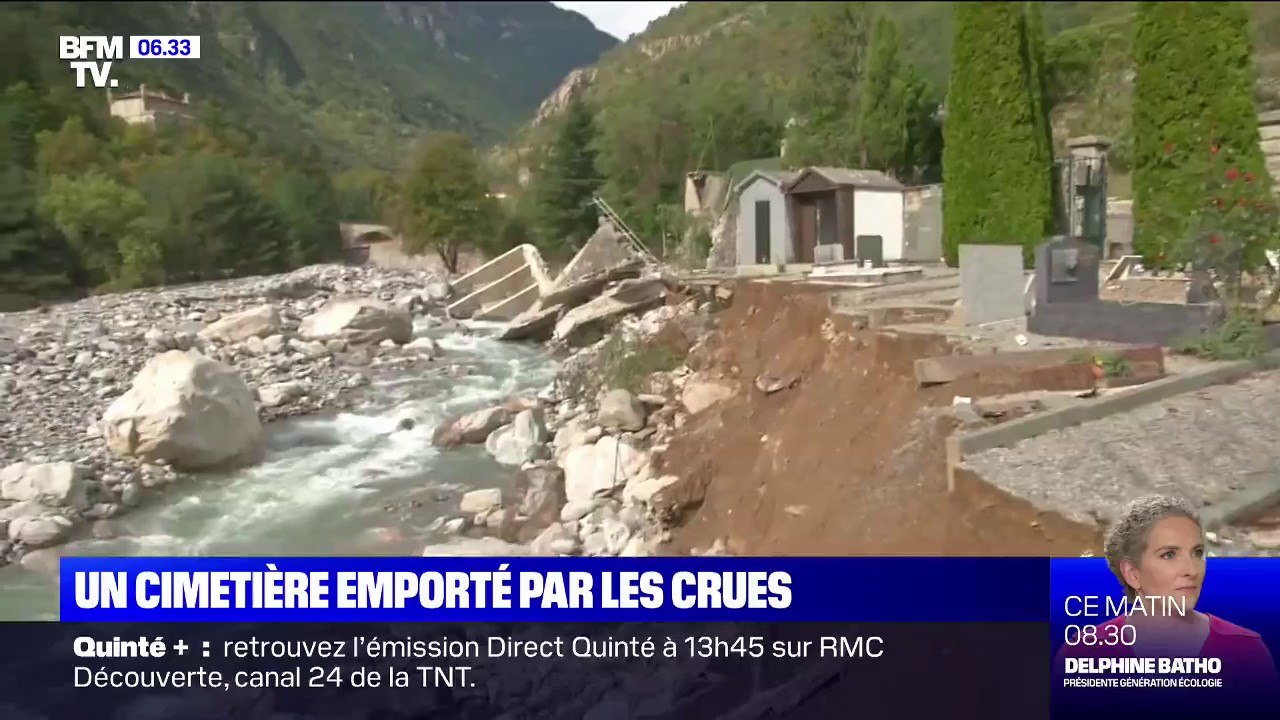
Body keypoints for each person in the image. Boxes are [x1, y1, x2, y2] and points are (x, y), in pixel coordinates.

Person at [1055, 494, 1279, 708]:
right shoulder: (1084, 654)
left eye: (1197, 553)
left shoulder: (1246, 652)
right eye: (1169, 555)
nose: (1191, 570)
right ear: (1133, 573)